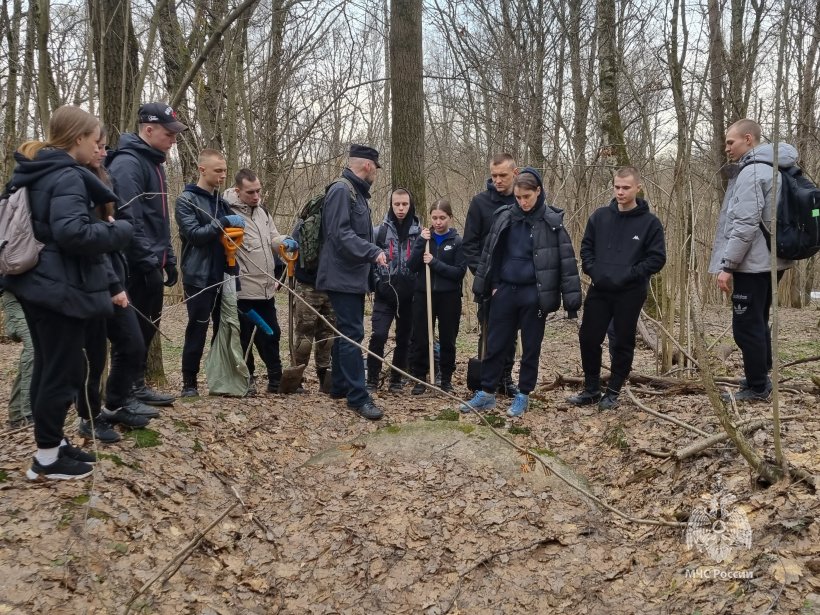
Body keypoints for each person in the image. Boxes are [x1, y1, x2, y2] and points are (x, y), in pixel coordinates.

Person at [4, 105, 133, 480]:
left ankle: (53, 442)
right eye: (95, 140)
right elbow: (72, 233)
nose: (98, 147)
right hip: (57, 288)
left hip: (36, 283)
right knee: (62, 367)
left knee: (50, 365)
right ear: (78, 139)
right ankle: (46, 459)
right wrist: (119, 231)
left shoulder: (36, 170)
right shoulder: (66, 176)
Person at [465, 169, 582, 417]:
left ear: (538, 192)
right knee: (495, 344)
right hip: (505, 291)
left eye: (527, 196)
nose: (522, 202)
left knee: (531, 347)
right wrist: (490, 285)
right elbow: (490, 253)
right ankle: (486, 393)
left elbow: (566, 262)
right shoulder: (504, 217)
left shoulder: (552, 222)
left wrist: (572, 301)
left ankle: (523, 395)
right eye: (518, 197)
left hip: (534, 295)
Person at [708, 119, 796, 401]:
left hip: (753, 262)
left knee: (746, 326)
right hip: (772, 260)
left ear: (748, 139)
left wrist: (727, 265)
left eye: (730, 142)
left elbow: (744, 224)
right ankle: (759, 375)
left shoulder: (753, 171)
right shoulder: (775, 167)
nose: (727, 148)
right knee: (759, 319)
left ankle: (757, 387)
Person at [568, 166, 666, 410]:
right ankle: (591, 389)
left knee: (622, 341)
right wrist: (595, 271)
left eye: (626, 188)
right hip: (600, 289)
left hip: (630, 292)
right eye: (617, 187)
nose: (621, 192)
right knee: (588, 338)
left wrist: (630, 275)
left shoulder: (650, 223)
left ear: (637, 188)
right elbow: (586, 249)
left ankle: (613, 391)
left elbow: (656, 259)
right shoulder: (599, 217)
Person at [107, 102, 186, 407]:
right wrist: (147, 260)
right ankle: (123, 393)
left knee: (146, 330)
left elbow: (158, 219)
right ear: (149, 130)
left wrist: (168, 257)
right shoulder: (128, 164)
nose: (174, 140)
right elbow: (129, 218)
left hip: (152, 261)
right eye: (169, 133)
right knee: (131, 335)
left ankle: (137, 385)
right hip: (133, 266)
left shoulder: (155, 163)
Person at [78, 127, 154, 444]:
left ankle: (116, 403)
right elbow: (91, 244)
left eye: (104, 145)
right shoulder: (75, 184)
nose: (103, 151)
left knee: (132, 343)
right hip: (93, 283)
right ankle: (89, 419)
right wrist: (113, 284)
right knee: (94, 356)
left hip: (113, 275)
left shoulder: (103, 177)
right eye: (98, 145)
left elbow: (110, 236)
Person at [316, 144, 387, 420]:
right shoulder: (341, 191)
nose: (376, 175)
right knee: (352, 335)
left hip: (352, 277)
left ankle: (341, 387)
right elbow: (339, 235)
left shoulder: (356, 193)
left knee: (347, 332)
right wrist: (373, 252)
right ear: (368, 165)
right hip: (341, 278)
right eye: (376, 169)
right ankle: (358, 397)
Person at [175, 149, 245, 397]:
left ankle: (223, 378)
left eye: (225, 170)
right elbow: (195, 236)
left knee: (225, 327)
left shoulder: (221, 202)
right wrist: (223, 223)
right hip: (199, 276)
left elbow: (233, 238)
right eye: (218, 171)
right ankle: (189, 383)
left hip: (225, 273)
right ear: (202, 169)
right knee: (198, 328)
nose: (223, 175)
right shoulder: (186, 201)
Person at [223, 168, 297, 394]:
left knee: (272, 333)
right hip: (243, 291)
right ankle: (248, 378)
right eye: (250, 192)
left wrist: (285, 241)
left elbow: (272, 238)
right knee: (245, 337)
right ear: (238, 191)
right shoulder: (227, 212)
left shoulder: (262, 211)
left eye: (258, 191)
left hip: (266, 289)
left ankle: (276, 380)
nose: (256, 196)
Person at [463, 153, 520, 397]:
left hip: (516, 282)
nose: (497, 180)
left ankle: (505, 378)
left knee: (511, 332)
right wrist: (485, 277)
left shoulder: (523, 202)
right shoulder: (480, 203)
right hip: (489, 283)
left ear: (515, 174)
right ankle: (486, 382)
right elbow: (469, 245)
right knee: (488, 331)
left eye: (503, 175)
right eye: (494, 175)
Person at [408, 199, 466, 394]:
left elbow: (458, 273)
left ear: (450, 217)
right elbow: (412, 266)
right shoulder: (425, 239)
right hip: (423, 294)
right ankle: (419, 377)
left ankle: (446, 378)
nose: (438, 222)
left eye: (442, 218)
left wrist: (434, 263)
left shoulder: (457, 241)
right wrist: (419, 242)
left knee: (448, 338)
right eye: (434, 218)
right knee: (421, 338)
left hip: (449, 297)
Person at [366, 188, 420, 393]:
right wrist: (378, 283)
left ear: (410, 205)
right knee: (378, 335)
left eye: (404, 204)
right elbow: (370, 260)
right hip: (385, 294)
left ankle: (396, 379)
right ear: (391, 205)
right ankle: (371, 378)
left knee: (404, 338)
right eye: (396, 204)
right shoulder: (380, 231)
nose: (400, 208)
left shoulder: (419, 231)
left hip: (409, 295)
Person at [290, 222, 336, 393]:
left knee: (327, 336)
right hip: (308, 284)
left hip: (332, 285)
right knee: (305, 337)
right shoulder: (306, 222)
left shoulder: (340, 221)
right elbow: (291, 249)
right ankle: (296, 378)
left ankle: (325, 378)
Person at [2, 288, 33, 428]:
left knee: (30, 358)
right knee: (33, 351)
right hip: (13, 295)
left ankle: (16, 414)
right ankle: (28, 412)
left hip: (32, 296)